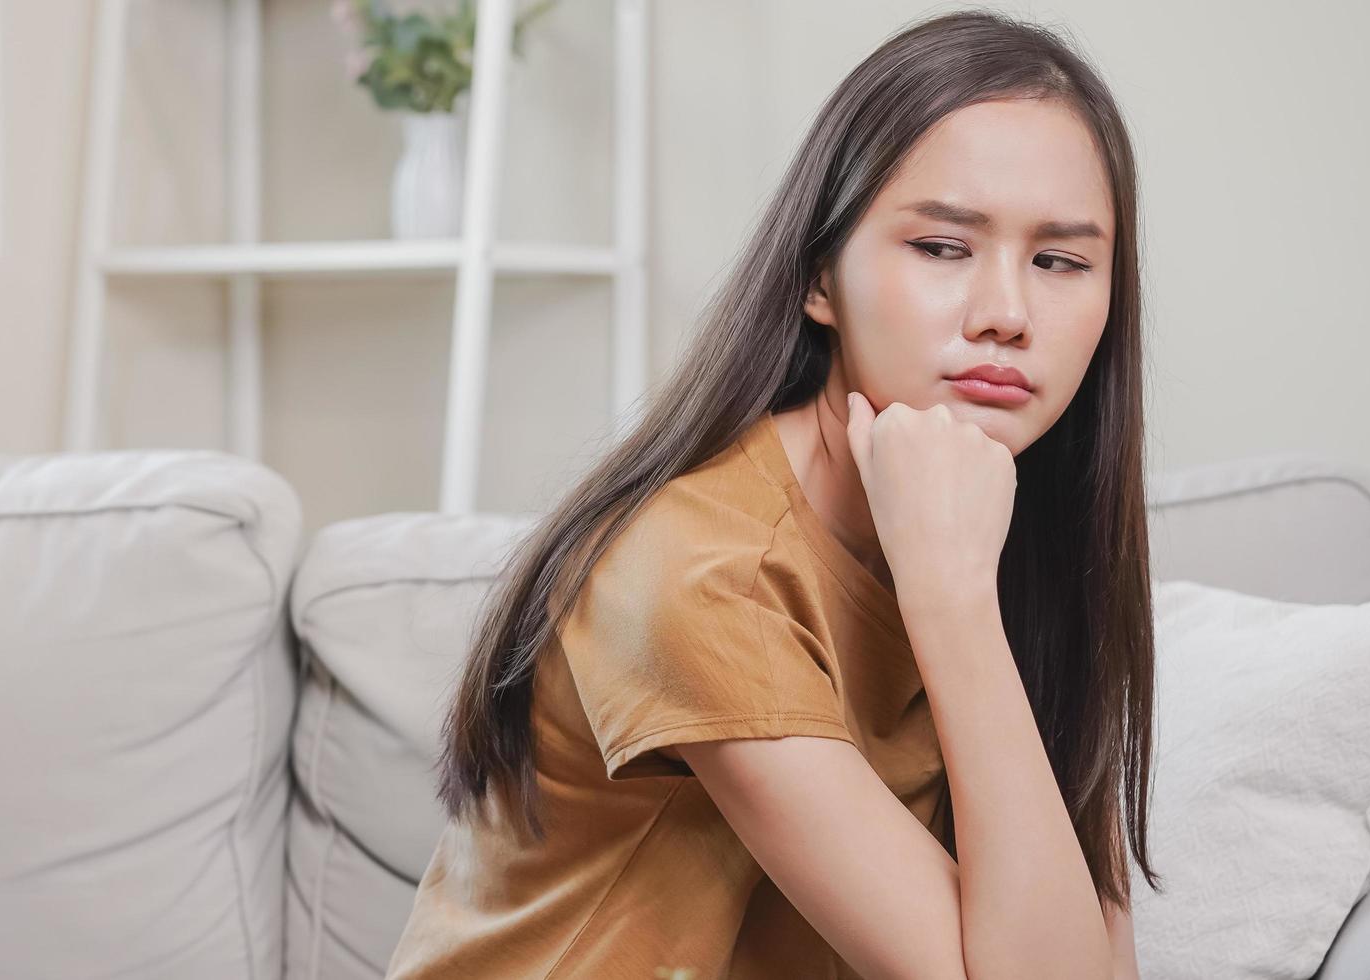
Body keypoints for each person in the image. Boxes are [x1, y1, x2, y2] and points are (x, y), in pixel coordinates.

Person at [391, 11, 1155, 978]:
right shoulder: (700, 572)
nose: (1006, 314)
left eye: (1060, 262)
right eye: (942, 248)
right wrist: (952, 602)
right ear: (818, 277)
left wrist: (961, 586)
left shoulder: (1011, 531)